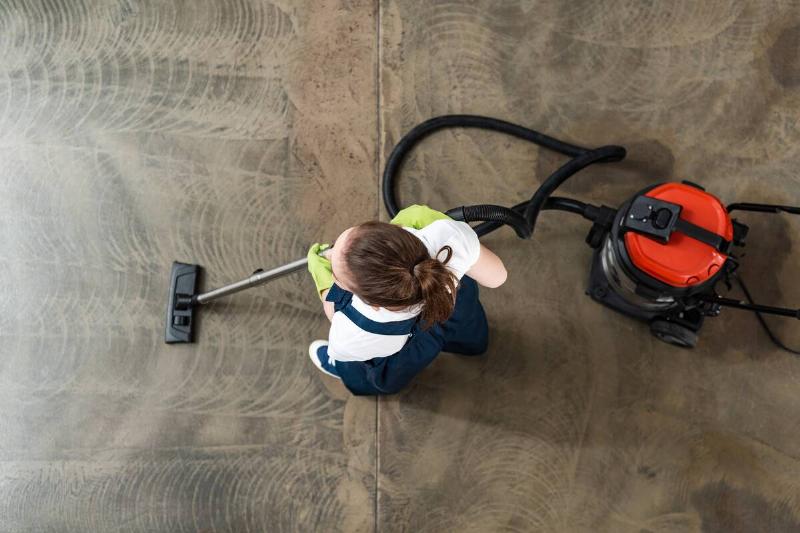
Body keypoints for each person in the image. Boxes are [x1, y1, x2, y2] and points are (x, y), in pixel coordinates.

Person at [306, 205, 507, 395]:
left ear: (374, 303)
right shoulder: (445, 234)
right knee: (468, 327)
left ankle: (353, 376)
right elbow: (497, 277)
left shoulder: (356, 328)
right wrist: (428, 219)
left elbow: (337, 324)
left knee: (367, 367)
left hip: (403, 340)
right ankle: (472, 345)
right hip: (453, 303)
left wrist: (323, 282)